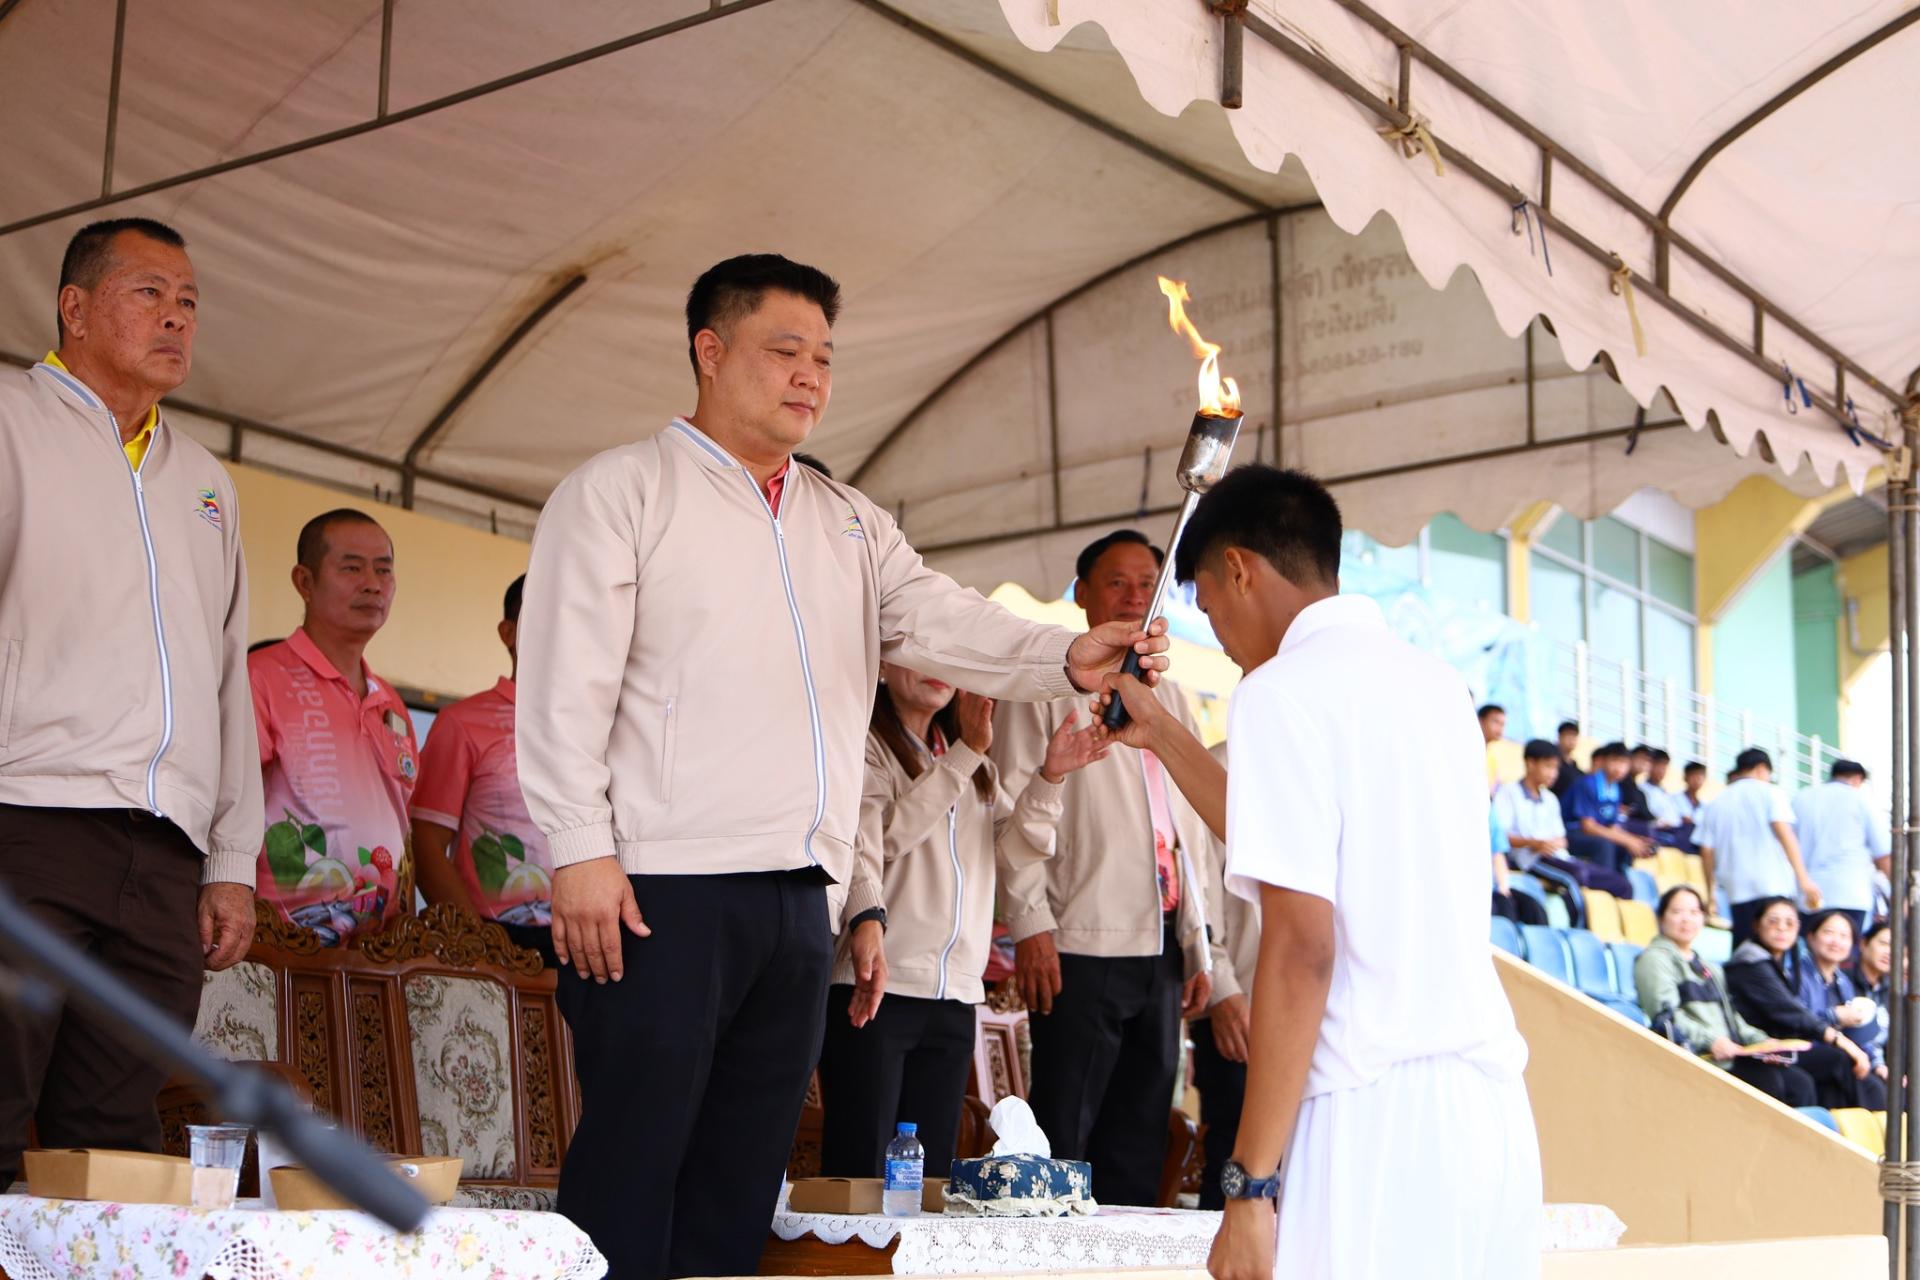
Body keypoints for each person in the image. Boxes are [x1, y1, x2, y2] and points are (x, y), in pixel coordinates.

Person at [514, 253, 1170, 1280]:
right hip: (658, 886)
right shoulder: (620, 490)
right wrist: (579, 850)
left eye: (823, 357)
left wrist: (1065, 654)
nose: (810, 375)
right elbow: (563, 685)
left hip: (799, 899)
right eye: (785, 350)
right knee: (633, 1165)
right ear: (709, 350)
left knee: (742, 1180)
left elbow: (943, 618)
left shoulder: (849, 520)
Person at [1101, 465, 1540, 1280]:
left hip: (1370, 1116)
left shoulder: (1279, 691)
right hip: (1487, 1111)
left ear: (1239, 569)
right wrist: (1161, 734)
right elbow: (1287, 839)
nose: (1218, 636)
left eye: (1208, 606)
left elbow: (1304, 947)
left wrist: (1249, 1185)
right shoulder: (1439, 686)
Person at [0, 217, 263, 1185]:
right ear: (74, 308)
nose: (176, 317)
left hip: (164, 856)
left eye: (188, 300)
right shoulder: (9, 422)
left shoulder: (204, 480)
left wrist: (230, 861)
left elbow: (226, 672)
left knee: (111, 1144)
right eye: (149, 292)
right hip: (27, 819)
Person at [994, 528, 1219, 1207]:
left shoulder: (1173, 699)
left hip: (1163, 943)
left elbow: (1189, 834)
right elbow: (1009, 812)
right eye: (1116, 582)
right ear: (1082, 593)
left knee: (1141, 1134)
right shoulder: (1044, 688)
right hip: (1081, 941)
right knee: (1065, 1131)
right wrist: (1031, 923)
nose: (1133, 596)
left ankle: (1126, 1256)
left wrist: (1199, 944)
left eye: (1147, 583)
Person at [816, 666, 1102, 1180]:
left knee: (930, 1184)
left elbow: (1015, 851)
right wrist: (966, 753)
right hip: (878, 986)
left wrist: (1050, 776)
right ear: (884, 666)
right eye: (920, 656)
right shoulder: (866, 746)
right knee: (859, 1175)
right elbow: (884, 838)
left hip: (955, 996)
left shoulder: (974, 763)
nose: (935, 672)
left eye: (946, 661)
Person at [249, 510, 424, 947]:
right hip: (282, 947)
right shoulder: (260, 677)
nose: (373, 584)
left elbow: (404, 827)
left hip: (381, 952)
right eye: (352, 568)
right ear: (305, 582)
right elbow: (224, 806)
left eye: (383, 569)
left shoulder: (391, 702)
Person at [410, 574, 558, 965]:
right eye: (543, 615)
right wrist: (478, 943)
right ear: (508, 633)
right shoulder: (461, 723)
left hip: (587, 935)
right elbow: (425, 842)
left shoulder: (601, 727)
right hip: (497, 939)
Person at [1632, 887, 1816, 1106]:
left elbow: (1732, 1018)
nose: (1687, 919)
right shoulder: (1655, 959)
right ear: (1661, 918)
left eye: (1694, 912)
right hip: (1700, 1058)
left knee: (1800, 1083)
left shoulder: (1709, 967)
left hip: (1730, 1056)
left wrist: (1761, 1041)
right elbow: (1666, 1018)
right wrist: (1712, 1041)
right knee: (1767, 1081)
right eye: (1677, 912)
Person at [1724, 898, 1881, 1110]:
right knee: (1837, 1062)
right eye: (1773, 921)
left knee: (1853, 1074)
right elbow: (1791, 1013)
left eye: (1789, 923)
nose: (1782, 928)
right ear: (1756, 925)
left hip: (1780, 1046)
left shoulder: (1836, 979)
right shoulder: (1751, 962)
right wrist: (1839, 1038)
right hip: (1757, 1048)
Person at [1189, 740, 1257, 1211]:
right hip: (1238, 1006)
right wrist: (1224, 993)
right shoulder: (1217, 767)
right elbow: (1198, 890)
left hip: (1323, 1016)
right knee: (1234, 1166)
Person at [1492, 740, 1633, 921]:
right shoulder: (1509, 793)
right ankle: (1580, 927)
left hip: (1560, 857)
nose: (1553, 773)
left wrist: (1556, 843)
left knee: (1621, 884)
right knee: (1575, 876)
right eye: (1548, 767)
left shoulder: (1550, 799)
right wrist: (1534, 843)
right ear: (1530, 763)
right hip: (1531, 859)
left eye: (1556, 768)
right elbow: (1500, 837)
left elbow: (1562, 839)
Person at [1697, 748, 1820, 943]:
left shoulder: (1716, 803)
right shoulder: (1771, 792)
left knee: (1745, 948)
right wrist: (1804, 879)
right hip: (1773, 886)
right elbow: (1785, 834)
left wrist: (1710, 891)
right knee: (1777, 945)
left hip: (1736, 890)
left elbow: (1706, 851)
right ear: (1762, 768)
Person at [1793, 760, 1890, 935]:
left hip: (1808, 894)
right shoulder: (1862, 800)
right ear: (1858, 779)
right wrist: (1899, 893)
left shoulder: (1801, 797)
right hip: (1849, 893)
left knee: (1809, 947)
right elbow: (1882, 853)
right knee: (1844, 947)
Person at [1802, 910, 1884, 1080]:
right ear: (1811, 937)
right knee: (1842, 1062)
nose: (1836, 941)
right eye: (1829, 932)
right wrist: (1833, 1015)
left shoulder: (1843, 981)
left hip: (1837, 1052)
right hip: (1807, 1050)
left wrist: (1877, 1063)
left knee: (1874, 1079)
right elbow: (1799, 1022)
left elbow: (1858, 1036)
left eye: (1844, 936)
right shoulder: (1798, 974)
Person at [1561, 743, 1653, 875]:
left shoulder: (1616, 789)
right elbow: (1588, 827)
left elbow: (1612, 826)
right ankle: (1604, 881)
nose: (1619, 767)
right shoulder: (1587, 784)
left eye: (1624, 763)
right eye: (1615, 761)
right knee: (1604, 844)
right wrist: (1628, 840)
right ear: (1603, 761)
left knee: (1625, 846)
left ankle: (1621, 880)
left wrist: (1634, 840)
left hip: (1592, 832)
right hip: (1570, 833)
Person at [1549, 721, 1584, 799]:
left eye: (1574, 736)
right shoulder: (1552, 762)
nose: (1571, 740)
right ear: (1559, 737)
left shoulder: (1576, 769)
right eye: (1568, 736)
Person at [1477, 704, 1506, 792]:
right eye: (1495, 722)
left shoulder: (1492, 758)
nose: (1500, 728)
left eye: (1502, 724)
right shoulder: (1470, 751)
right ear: (1480, 721)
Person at [1675, 761, 1708, 826]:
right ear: (1685, 777)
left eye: (1700, 776)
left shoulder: (1705, 807)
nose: (1696, 779)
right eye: (1693, 775)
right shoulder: (1674, 799)